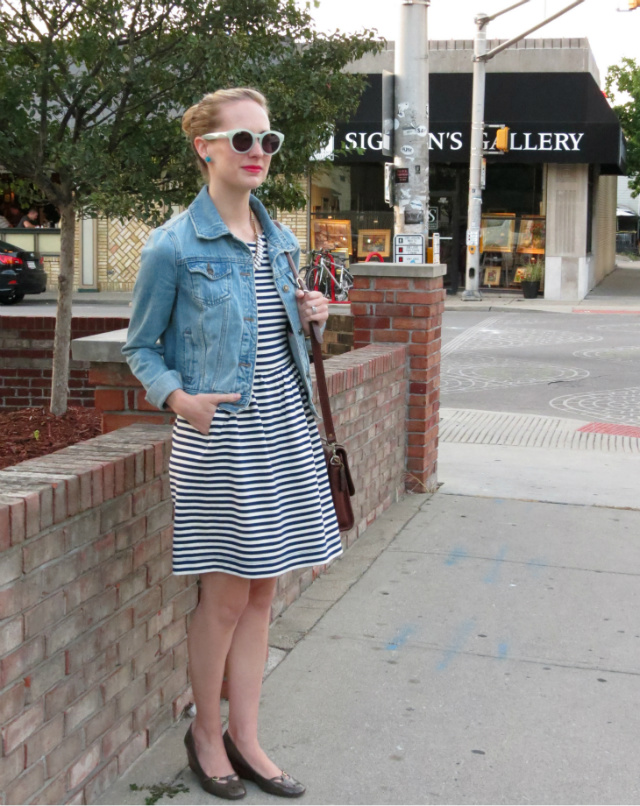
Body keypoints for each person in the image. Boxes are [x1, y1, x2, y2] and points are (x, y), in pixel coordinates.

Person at [123, 88, 342, 801]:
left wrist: (314, 313)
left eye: (268, 141)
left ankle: (248, 735)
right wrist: (177, 397)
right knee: (222, 600)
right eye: (242, 140)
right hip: (221, 437)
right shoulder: (172, 245)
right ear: (205, 148)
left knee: (262, 595)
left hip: (285, 428)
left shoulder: (280, 239)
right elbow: (141, 348)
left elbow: (283, 337)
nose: (258, 154)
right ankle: (207, 735)